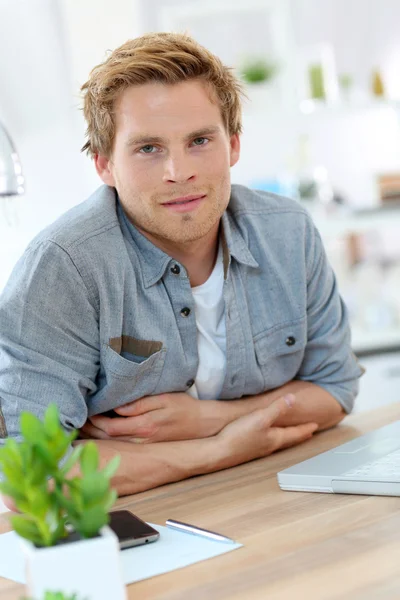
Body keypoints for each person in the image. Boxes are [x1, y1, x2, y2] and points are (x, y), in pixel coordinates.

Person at [0, 32, 363, 501]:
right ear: (104, 165)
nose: (179, 171)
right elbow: (31, 472)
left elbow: (335, 391)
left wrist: (205, 420)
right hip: (144, 525)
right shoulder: (63, 268)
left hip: (281, 500)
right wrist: (218, 450)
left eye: (199, 140)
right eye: (148, 148)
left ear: (232, 145)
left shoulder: (287, 233)